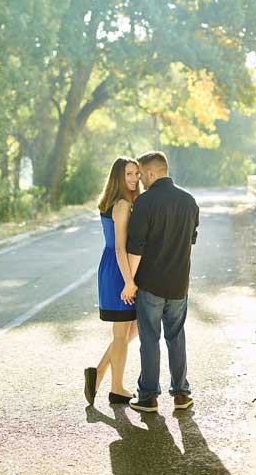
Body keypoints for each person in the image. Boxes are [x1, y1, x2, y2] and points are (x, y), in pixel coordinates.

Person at [125, 151, 199, 413]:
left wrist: (130, 282)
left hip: (150, 285)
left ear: (153, 172)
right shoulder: (189, 201)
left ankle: (148, 397)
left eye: (143, 174)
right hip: (179, 285)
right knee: (176, 337)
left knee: (150, 339)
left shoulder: (144, 203)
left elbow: (136, 249)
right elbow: (189, 244)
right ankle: (181, 394)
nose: (141, 180)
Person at [84, 157, 141, 406]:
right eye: (129, 174)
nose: (134, 179)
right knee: (121, 333)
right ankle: (116, 388)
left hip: (117, 267)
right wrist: (128, 282)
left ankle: (98, 373)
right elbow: (119, 248)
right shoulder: (120, 204)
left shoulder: (119, 201)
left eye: (136, 174)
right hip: (118, 270)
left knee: (132, 328)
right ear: (118, 177)